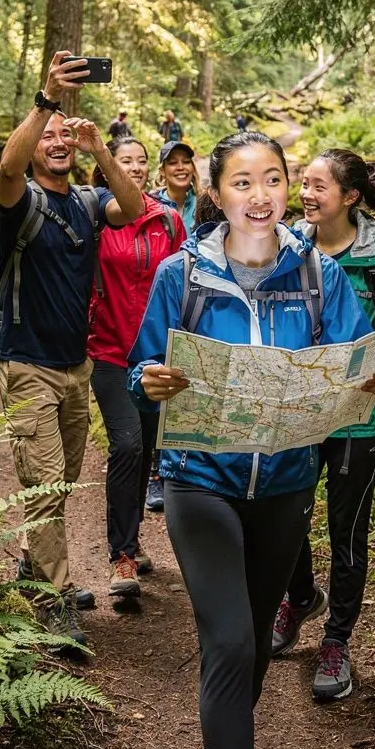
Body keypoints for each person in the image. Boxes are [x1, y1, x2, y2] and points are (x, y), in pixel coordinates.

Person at [127, 131, 375, 749]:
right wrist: (149, 381)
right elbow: (138, 368)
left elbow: (356, 364)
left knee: (251, 635)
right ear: (215, 193)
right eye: (242, 180)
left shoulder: (318, 275)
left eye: (274, 179)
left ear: (288, 190)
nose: (260, 193)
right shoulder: (181, 274)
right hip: (198, 482)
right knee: (230, 639)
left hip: (286, 483)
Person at [0, 52, 144, 648]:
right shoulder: (19, 202)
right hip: (27, 364)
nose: (56, 142)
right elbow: (7, 166)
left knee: (61, 484)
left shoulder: (85, 203)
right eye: (47, 136)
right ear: (35, 144)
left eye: (64, 137)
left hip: (77, 368)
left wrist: (101, 151)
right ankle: (55, 601)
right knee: (46, 479)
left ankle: (35, 571)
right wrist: (47, 100)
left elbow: (133, 208)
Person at [272, 148, 375, 701]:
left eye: (317, 187)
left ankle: (337, 641)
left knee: (346, 530)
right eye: (302, 184)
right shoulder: (288, 248)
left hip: (361, 418)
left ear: (349, 197)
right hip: (302, 412)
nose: (305, 194)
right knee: (287, 516)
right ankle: (301, 595)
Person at [88, 137, 186, 601]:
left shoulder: (169, 219)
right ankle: (122, 556)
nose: (135, 168)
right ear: (106, 168)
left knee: (146, 449)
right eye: (124, 161)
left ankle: (134, 539)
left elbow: (190, 282)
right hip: (108, 351)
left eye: (140, 162)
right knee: (127, 445)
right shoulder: (97, 218)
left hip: (156, 358)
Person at [145, 139, 201, 510]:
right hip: (161, 297)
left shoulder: (205, 204)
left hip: (198, 301)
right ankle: (155, 473)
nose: (180, 167)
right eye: (173, 162)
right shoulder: (152, 205)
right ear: (162, 170)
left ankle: (182, 464)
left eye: (186, 162)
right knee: (159, 378)